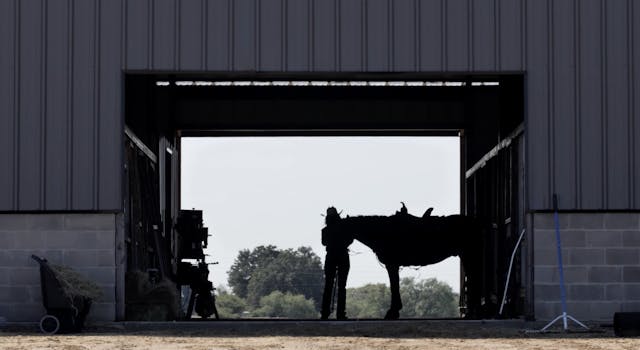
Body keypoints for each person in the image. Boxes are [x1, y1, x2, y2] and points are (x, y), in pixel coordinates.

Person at [320, 207, 353, 320]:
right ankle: (340, 313)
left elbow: (324, 243)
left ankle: (325, 313)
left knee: (328, 286)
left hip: (330, 257)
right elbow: (350, 240)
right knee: (342, 286)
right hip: (343, 256)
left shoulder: (325, 230)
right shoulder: (344, 229)